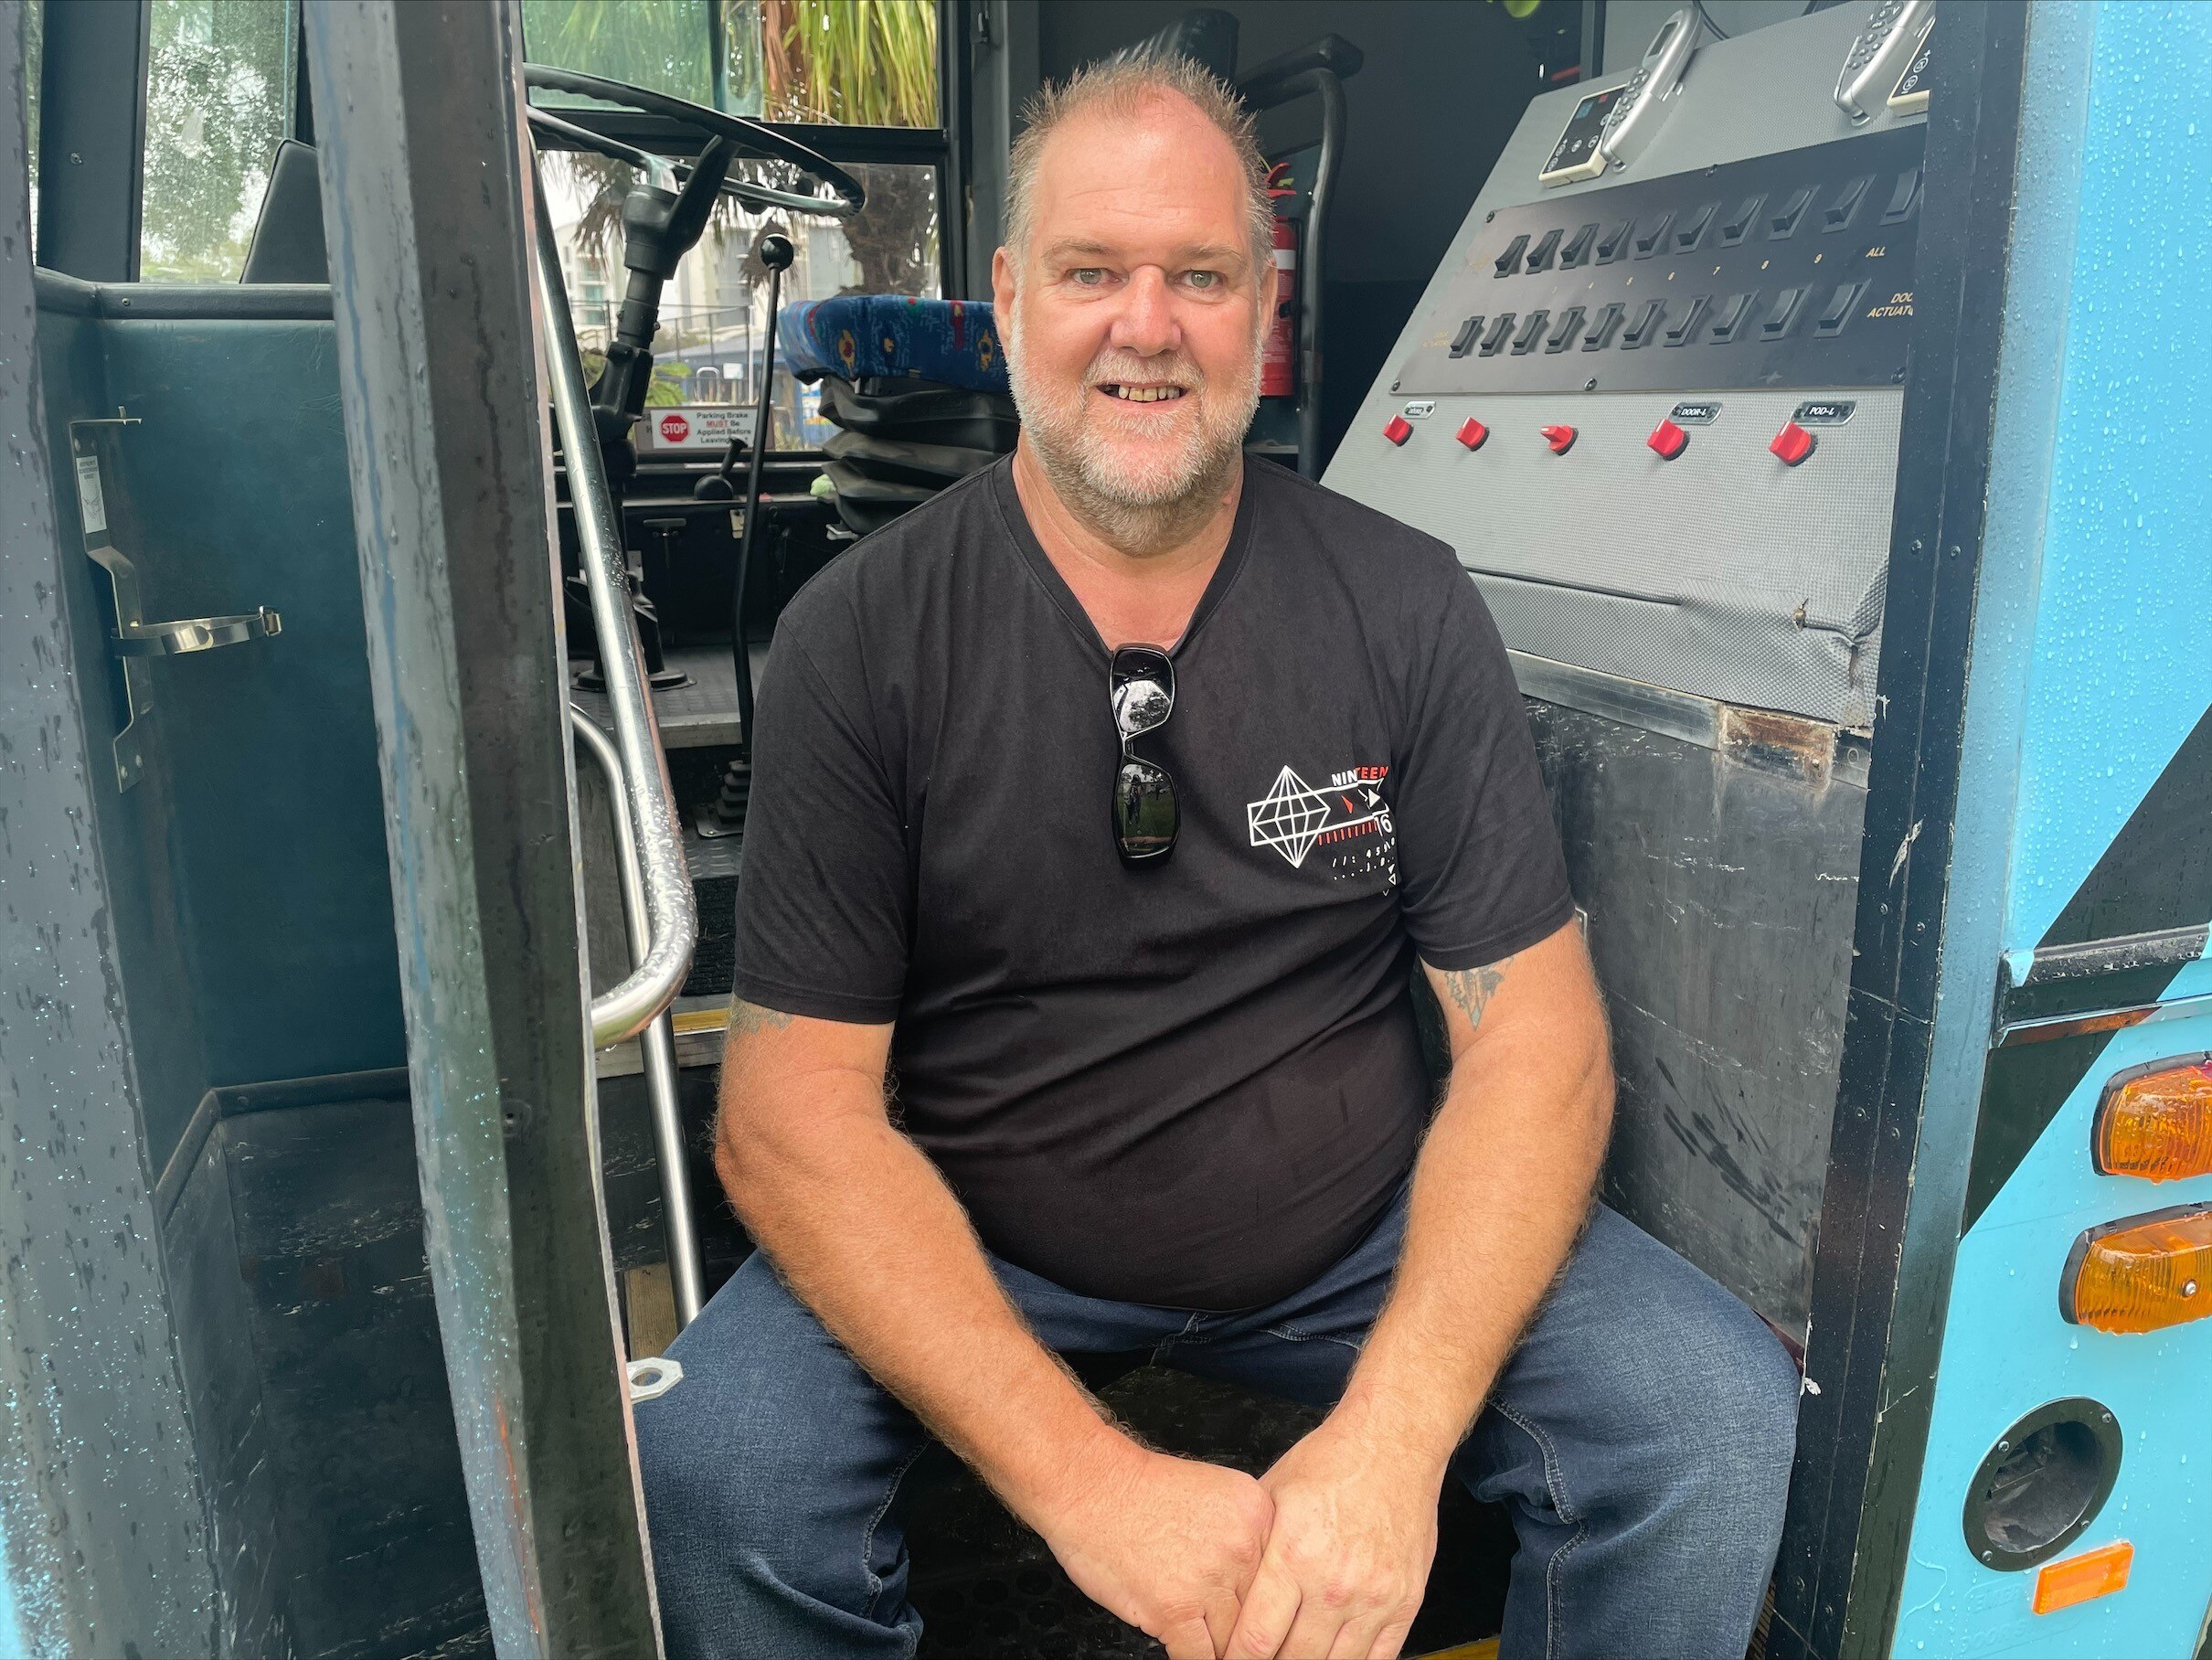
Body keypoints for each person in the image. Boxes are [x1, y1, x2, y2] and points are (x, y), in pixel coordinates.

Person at [636, 54, 1798, 1660]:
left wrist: (1391, 1452)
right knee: (714, 1468)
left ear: (1263, 307)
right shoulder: (864, 635)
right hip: (989, 1236)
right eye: (1091, 272)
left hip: (1361, 1231)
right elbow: (789, 1119)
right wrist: (1085, 1483)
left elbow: (1537, 1046)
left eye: (1199, 276)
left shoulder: (1402, 601)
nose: (1146, 325)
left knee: (1710, 1421)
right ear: (1006, 293)